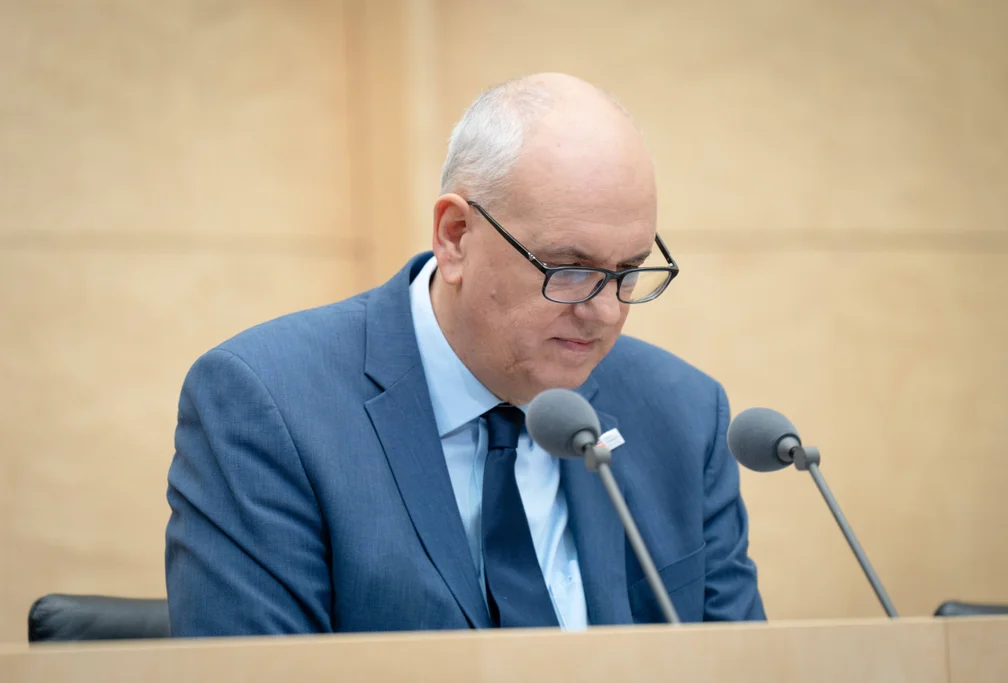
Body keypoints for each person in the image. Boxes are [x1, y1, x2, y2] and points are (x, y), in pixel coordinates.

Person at [165, 72, 765, 636]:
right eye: (569, 268)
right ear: (455, 237)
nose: (606, 311)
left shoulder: (684, 414)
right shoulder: (268, 405)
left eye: (629, 270)